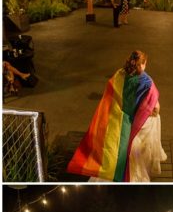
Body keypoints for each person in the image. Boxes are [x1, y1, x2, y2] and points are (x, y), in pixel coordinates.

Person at [67, 51, 167, 182]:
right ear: (142, 64)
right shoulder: (147, 82)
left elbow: (110, 97)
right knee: (155, 120)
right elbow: (155, 108)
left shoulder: (119, 74)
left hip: (116, 120)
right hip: (135, 123)